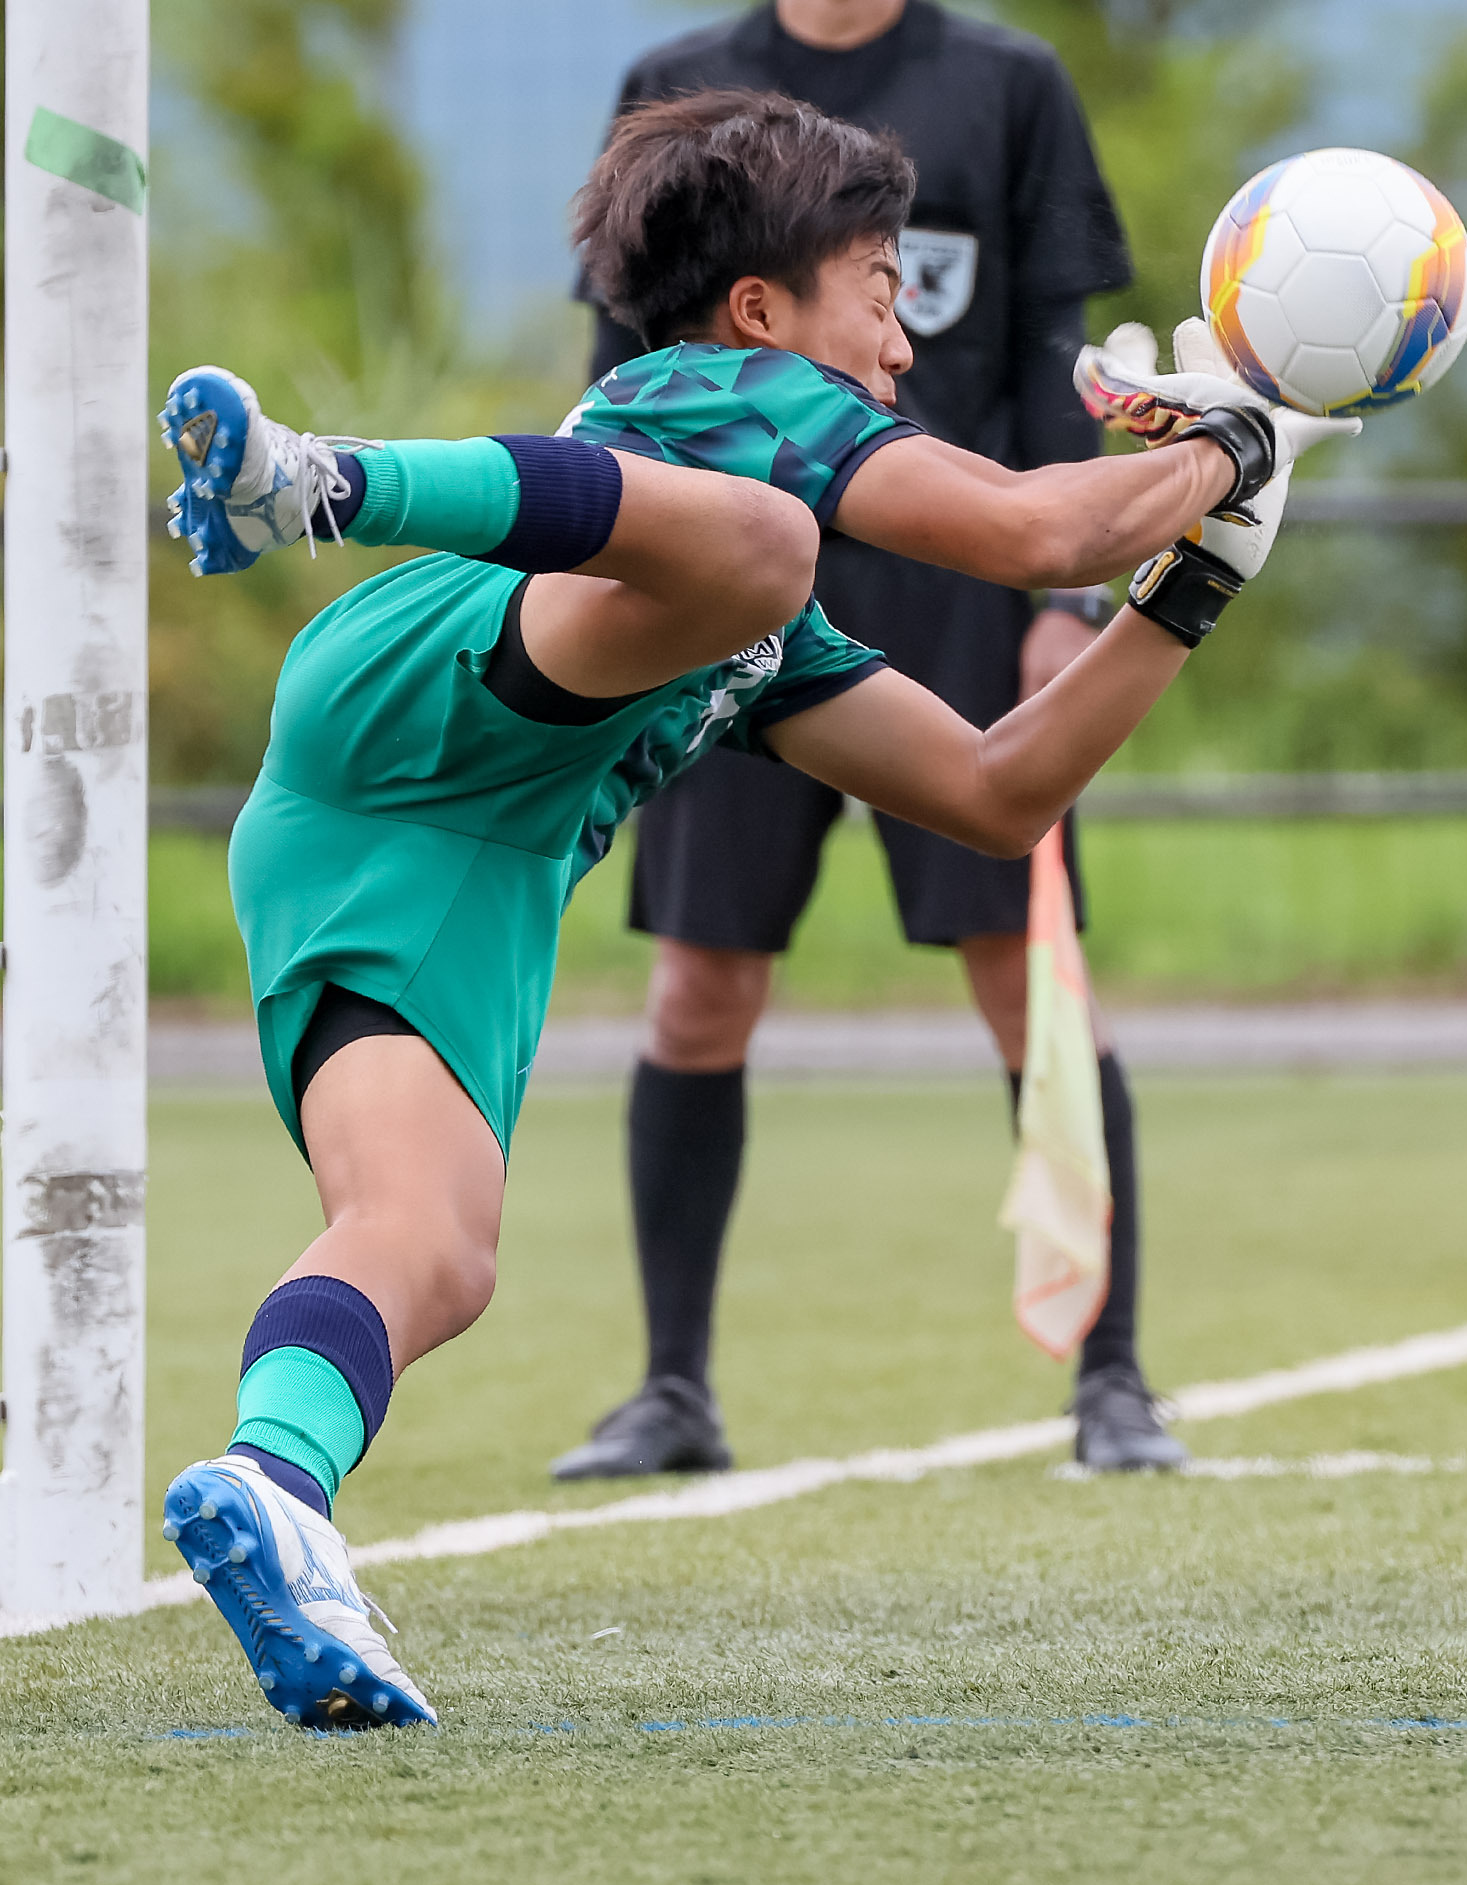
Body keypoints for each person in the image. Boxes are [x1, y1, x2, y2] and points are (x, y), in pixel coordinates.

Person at [150, 88, 1348, 1729]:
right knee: (771, 544)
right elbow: (1032, 530)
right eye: (886, 292)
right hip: (426, 661)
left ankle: (275, 1490)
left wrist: (1198, 576)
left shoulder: (756, 613)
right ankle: (319, 483)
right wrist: (1233, 438)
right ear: (764, 310)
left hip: (434, 846)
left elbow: (1002, 795)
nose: (907, 345)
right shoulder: (719, 394)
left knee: (432, 1245)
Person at [554, 0, 1175, 1481]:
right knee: (701, 993)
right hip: (715, 584)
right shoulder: (672, 91)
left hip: (968, 583)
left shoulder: (1009, 83)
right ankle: (672, 1389)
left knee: (1029, 986)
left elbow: (1047, 349)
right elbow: (613, 371)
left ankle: (1113, 1376)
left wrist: (1066, 598)